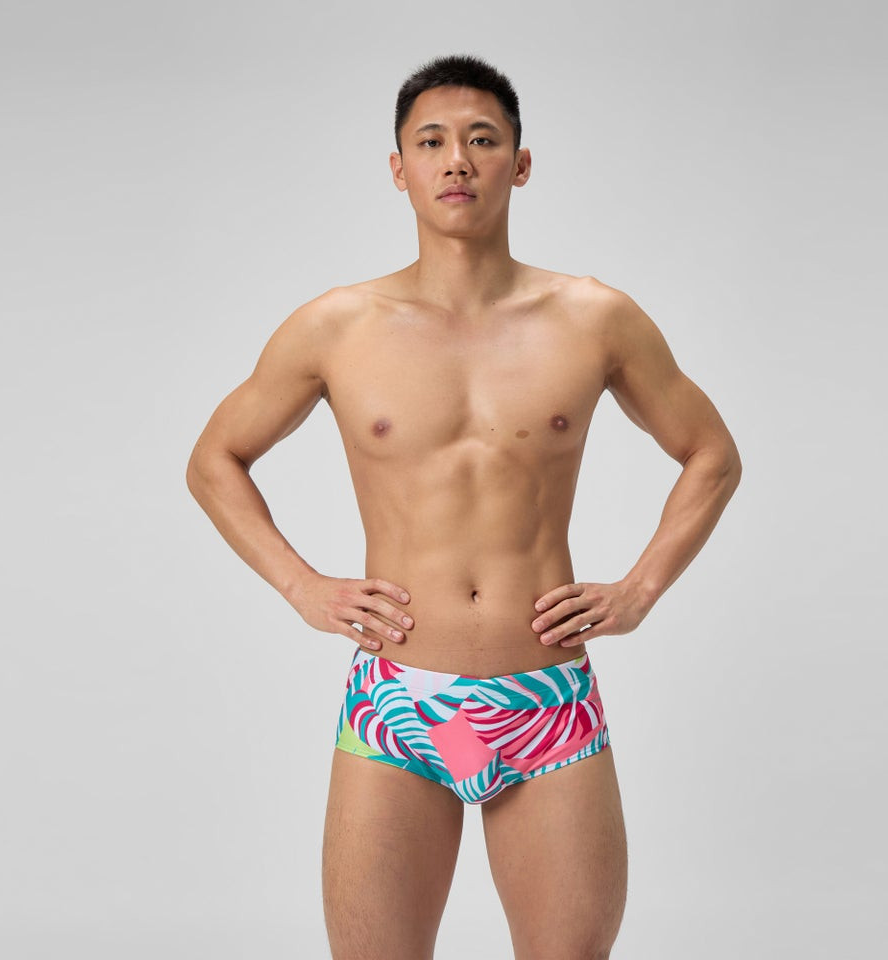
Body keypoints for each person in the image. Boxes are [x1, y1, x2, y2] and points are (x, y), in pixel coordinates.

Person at [186, 53, 741, 960]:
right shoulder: (338, 326)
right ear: (397, 167)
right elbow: (215, 459)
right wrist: (302, 586)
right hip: (398, 700)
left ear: (520, 164)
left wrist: (640, 590)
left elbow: (711, 454)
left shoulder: (594, 318)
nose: (457, 160)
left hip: (547, 699)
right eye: (431, 142)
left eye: (482, 140)